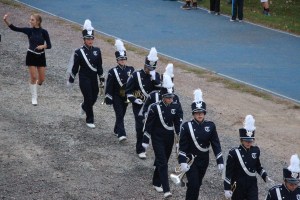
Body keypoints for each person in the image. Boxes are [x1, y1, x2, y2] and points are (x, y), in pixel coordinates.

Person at [178, 89, 224, 200]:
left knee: (197, 185)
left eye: (201, 112)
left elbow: (216, 144)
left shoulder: (211, 126)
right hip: (191, 160)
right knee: (194, 184)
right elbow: (182, 146)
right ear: (193, 113)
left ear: (204, 113)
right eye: (197, 112)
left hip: (204, 160)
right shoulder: (186, 126)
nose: (199, 114)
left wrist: (220, 160)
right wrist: (182, 161)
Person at [142, 74, 182, 199]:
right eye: (168, 97)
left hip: (169, 137)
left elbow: (178, 123)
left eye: (171, 97)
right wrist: (145, 140)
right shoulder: (155, 108)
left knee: (163, 160)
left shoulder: (176, 106)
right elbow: (148, 125)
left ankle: (156, 181)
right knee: (163, 163)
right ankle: (166, 190)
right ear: (163, 97)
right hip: (157, 137)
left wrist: (178, 140)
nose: (171, 99)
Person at [3, 13, 52, 106]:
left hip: (41, 56)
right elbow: (15, 28)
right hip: (31, 55)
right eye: (30, 19)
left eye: (32, 20)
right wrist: (6, 20)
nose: (30, 21)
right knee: (34, 77)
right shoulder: (29, 31)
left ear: (38, 22)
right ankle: (34, 97)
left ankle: (35, 85)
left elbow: (49, 45)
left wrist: (43, 46)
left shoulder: (44, 32)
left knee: (41, 80)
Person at [67, 19, 104, 129]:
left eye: (91, 38)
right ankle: (90, 119)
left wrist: (101, 78)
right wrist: (71, 80)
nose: (90, 40)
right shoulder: (79, 52)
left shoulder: (97, 50)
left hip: (93, 78)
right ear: (84, 39)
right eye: (88, 38)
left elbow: (99, 66)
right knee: (88, 97)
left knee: (94, 97)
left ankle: (83, 106)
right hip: (84, 78)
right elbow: (75, 68)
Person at [125, 47, 161, 159]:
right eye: (148, 67)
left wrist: (154, 79)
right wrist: (134, 100)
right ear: (145, 65)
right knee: (140, 127)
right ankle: (140, 149)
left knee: (154, 128)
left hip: (152, 107)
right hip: (139, 106)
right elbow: (128, 91)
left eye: (152, 68)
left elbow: (160, 91)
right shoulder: (136, 75)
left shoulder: (157, 76)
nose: (150, 70)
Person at [224, 115, 270, 200]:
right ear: (241, 140)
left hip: (252, 185)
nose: (249, 143)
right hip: (238, 186)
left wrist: (264, 175)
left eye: (250, 140)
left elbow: (257, 166)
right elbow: (228, 172)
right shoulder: (233, 153)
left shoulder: (256, 150)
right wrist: (227, 188)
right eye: (246, 140)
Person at [105, 39, 135, 142]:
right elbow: (109, 85)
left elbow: (133, 83)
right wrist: (108, 97)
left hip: (126, 96)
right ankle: (121, 134)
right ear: (117, 60)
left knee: (122, 113)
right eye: (120, 59)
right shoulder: (112, 71)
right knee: (119, 114)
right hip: (116, 95)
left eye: (124, 59)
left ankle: (116, 129)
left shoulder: (131, 69)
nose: (122, 60)